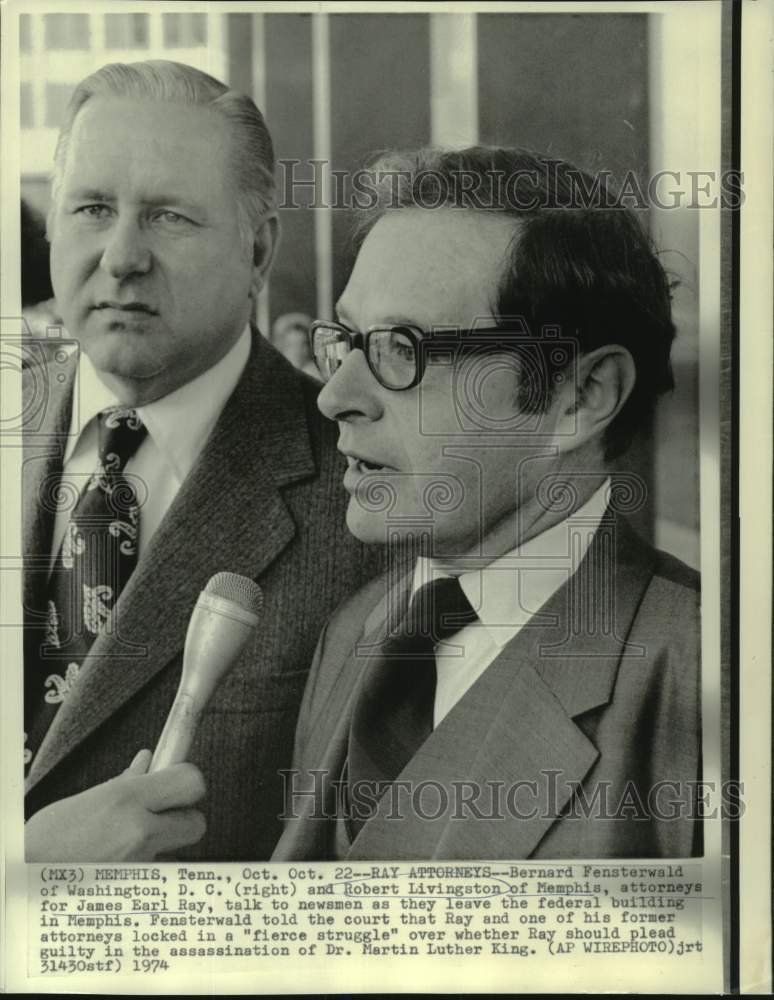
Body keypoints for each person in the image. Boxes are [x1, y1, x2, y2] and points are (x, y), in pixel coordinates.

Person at [272, 147, 702, 861]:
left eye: (401, 349)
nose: (334, 397)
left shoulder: (705, 681)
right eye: (346, 341)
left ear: (580, 395)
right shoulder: (358, 629)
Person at [22, 60, 383, 861]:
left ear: (258, 252)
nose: (121, 257)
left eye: (169, 218)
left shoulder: (367, 509)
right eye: (91, 208)